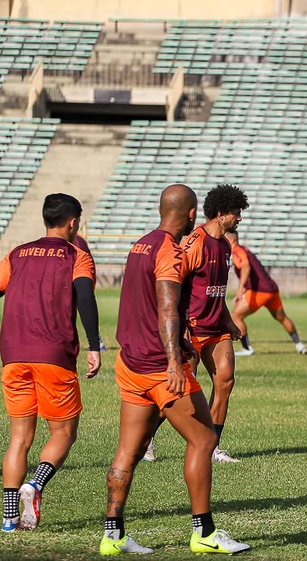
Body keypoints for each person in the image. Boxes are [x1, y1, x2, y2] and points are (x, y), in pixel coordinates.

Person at [100, 184, 249, 555]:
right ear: (193, 213)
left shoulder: (141, 244)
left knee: (127, 450)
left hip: (130, 361)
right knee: (203, 440)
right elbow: (168, 307)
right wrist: (173, 362)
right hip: (159, 366)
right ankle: (204, 533)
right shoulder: (171, 250)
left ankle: (112, 536)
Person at [0, 193, 102, 532]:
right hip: (54, 355)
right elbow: (86, 297)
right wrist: (94, 344)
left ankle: (8, 518)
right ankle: (35, 485)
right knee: (63, 431)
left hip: (13, 357)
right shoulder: (77, 255)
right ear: (73, 222)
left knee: (19, 438)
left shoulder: (18, 253)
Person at [148, 185, 247, 465]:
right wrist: (178, 329)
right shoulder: (194, 243)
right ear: (220, 214)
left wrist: (229, 320)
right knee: (178, 391)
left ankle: (213, 447)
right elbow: (174, 288)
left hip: (217, 328)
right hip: (192, 329)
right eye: (236, 213)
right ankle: (147, 438)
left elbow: (217, 289)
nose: (239, 218)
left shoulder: (224, 245)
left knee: (225, 382)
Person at [226, 230, 306, 356]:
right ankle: (300, 345)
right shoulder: (245, 250)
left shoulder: (236, 251)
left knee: (236, 316)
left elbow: (246, 267)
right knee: (282, 317)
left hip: (259, 291)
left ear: (231, 240)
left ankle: (247, 348)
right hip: (271, 289)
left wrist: (240, 289)